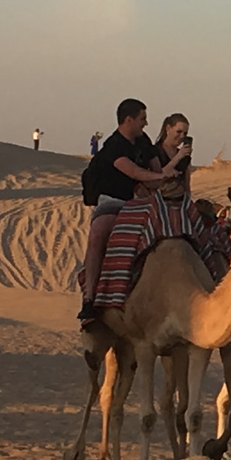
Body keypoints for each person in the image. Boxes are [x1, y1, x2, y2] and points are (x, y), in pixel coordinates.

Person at [79, 99, 178, 320]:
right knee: (98, 236)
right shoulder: (114, 146)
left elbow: (154, 173)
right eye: (142, 118)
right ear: (128, 120)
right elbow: (134, 172)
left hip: (143, 203)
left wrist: (167, 170)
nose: (146, 123)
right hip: (113, 202)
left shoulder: (143, 142)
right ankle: (90, 297)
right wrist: (160, 176)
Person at [150, 113, 194, 200]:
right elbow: (155, 177)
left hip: (179, 201)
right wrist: (178, 157)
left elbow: (186, 183)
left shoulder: (182, 154)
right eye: (178, 132)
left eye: (185, 133)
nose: (182, 136)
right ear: (168, 128)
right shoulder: (155, 151)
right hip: (160, 200)